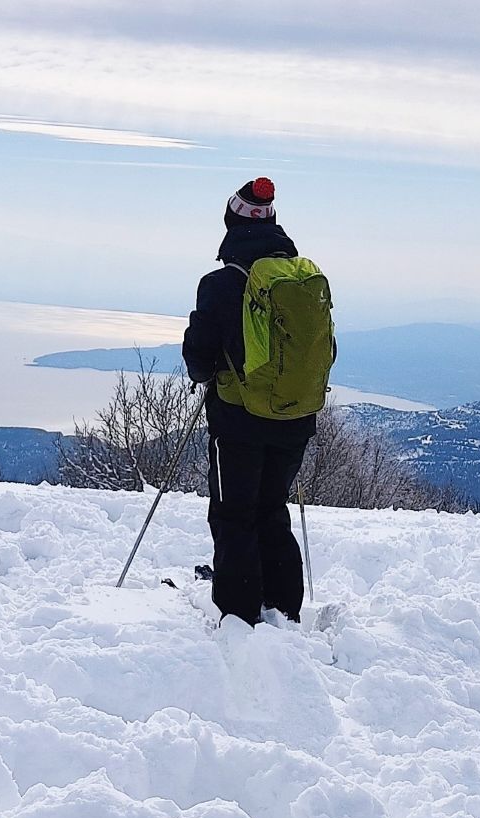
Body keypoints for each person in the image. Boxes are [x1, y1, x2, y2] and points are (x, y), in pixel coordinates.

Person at [182, 178, 330, 627]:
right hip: (295, 418)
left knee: (234, 514)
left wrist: (207, 368)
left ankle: (239, 614)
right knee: (271, 509)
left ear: (231, 222)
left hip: (238, 422)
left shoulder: (222, 282)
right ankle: (284, 605)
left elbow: (198, 358)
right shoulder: (301, 278)